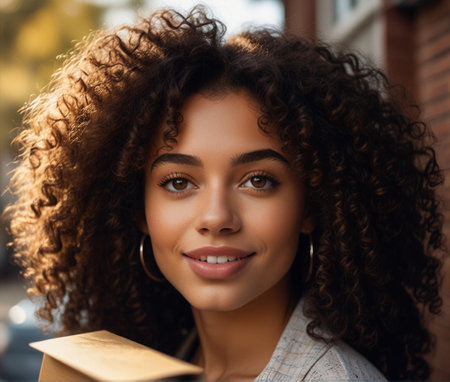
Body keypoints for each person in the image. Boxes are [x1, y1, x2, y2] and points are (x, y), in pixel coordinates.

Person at [6, 6, 446, 381]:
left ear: (310, 206)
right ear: (138, 209)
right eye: (178, 182)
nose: (216, 217)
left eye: (259, 180)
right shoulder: (172, 354)